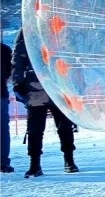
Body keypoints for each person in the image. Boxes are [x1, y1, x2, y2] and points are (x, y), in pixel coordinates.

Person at [11, 29, 78, 177]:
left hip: (59, 84)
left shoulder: (58, 24)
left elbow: (71, 53)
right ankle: (35, 163)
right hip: (35, 86)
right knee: (34, 129)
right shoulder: (27, 29)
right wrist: (18, 82)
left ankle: (69, 160)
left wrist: (75, 80)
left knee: (65, 126)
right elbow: (18, 56)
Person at [1, 40, 13, 173]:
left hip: (1, 94)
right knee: (3, 129)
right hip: (1, 93)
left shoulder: (5, 50)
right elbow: (10, 74)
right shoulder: (5, 50)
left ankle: (3, 161)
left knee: (3, 129)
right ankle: (3, 162)